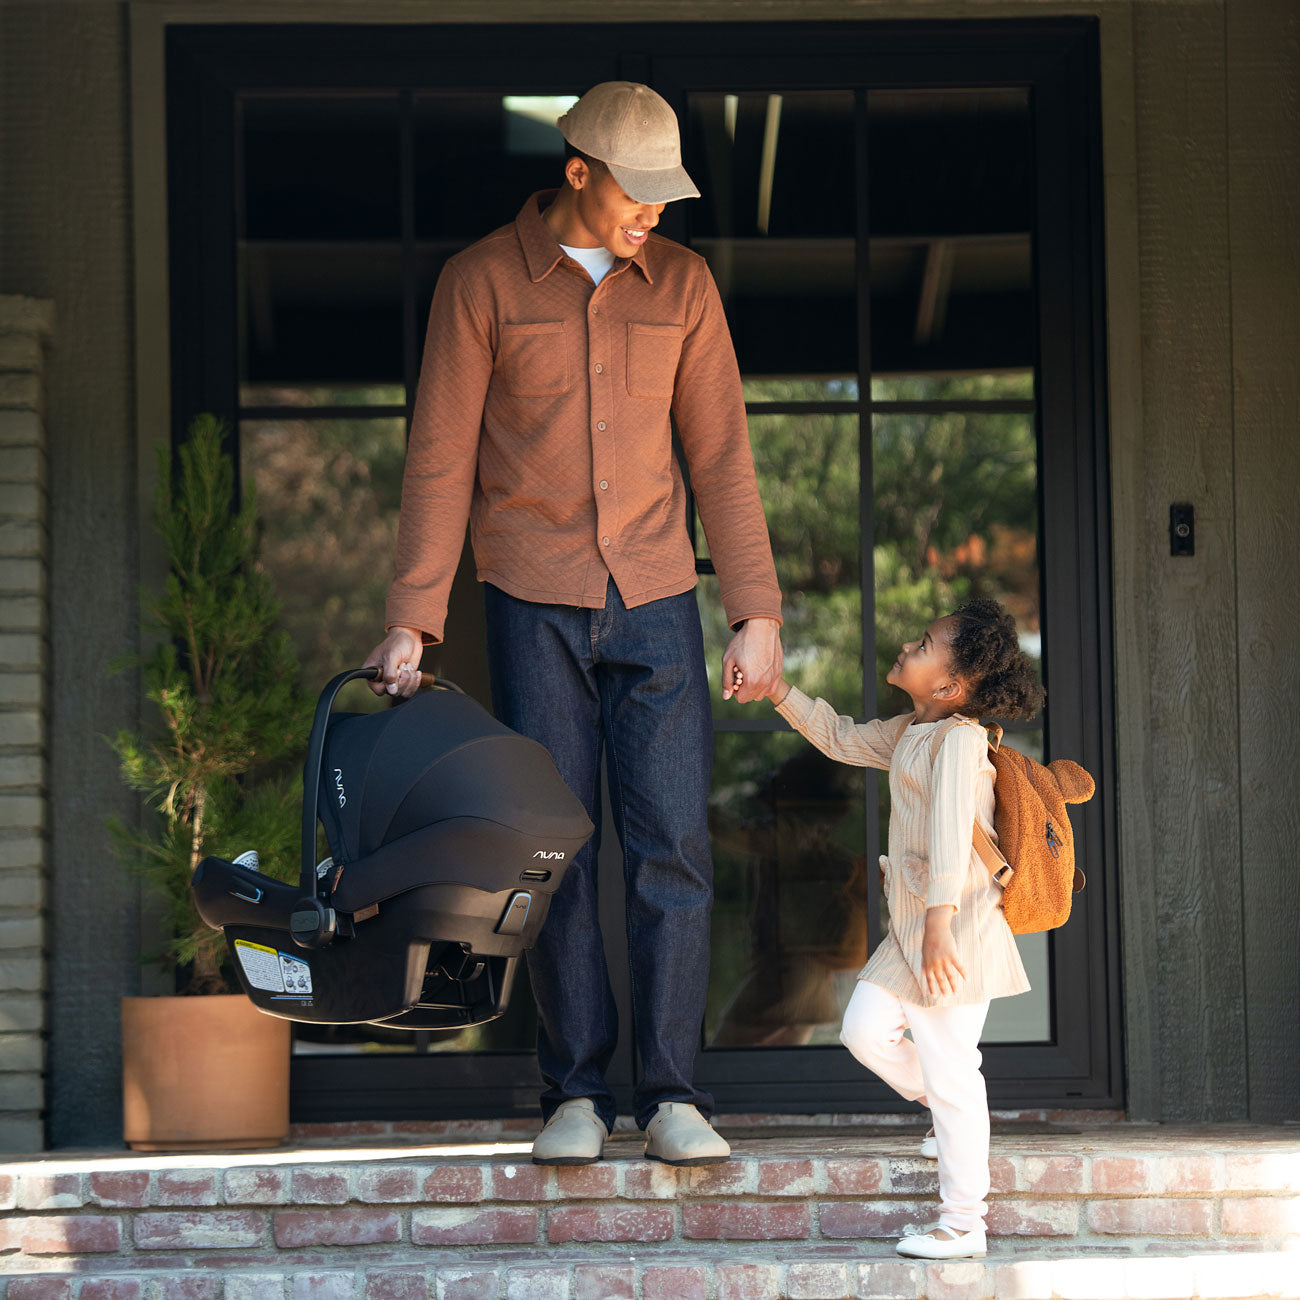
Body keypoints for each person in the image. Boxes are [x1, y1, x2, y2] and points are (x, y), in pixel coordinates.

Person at [364, 82, 784, 1167]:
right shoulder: (479, 284)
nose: (654, 211)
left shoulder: (684, 286)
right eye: (636, 192)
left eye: (667, 194)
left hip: (655, 598)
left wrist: (755, 610)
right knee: (549, 855)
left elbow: (722, 459)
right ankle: (577, 1092)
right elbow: (440, 459)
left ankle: (675, 1094)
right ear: (578, 172)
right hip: (529, 597)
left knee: (672, 850)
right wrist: (413, 617)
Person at [743, 597, 1042, 1259]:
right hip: (914, 928)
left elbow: (946, 833)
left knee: (955, 1075)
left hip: (951, 929)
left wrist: (939, 926)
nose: (908, 645)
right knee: (863, 1032)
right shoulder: (912, 731)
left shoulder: (960, 740)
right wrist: (778, 691)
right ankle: (939, 1107)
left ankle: (964, 1224)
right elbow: (842, 738)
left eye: (925, 643)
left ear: (949, 685)